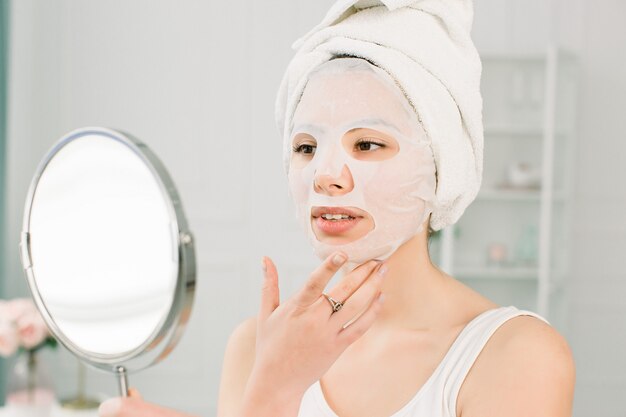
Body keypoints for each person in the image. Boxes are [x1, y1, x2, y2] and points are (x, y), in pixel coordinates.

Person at [99, 1, 575, 417]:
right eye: (306, 147)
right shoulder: (256, 347)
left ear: (440, 166)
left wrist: (277, 390)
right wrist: (269, 384)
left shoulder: (516, 357)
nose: (326, 175)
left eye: (367, 144)